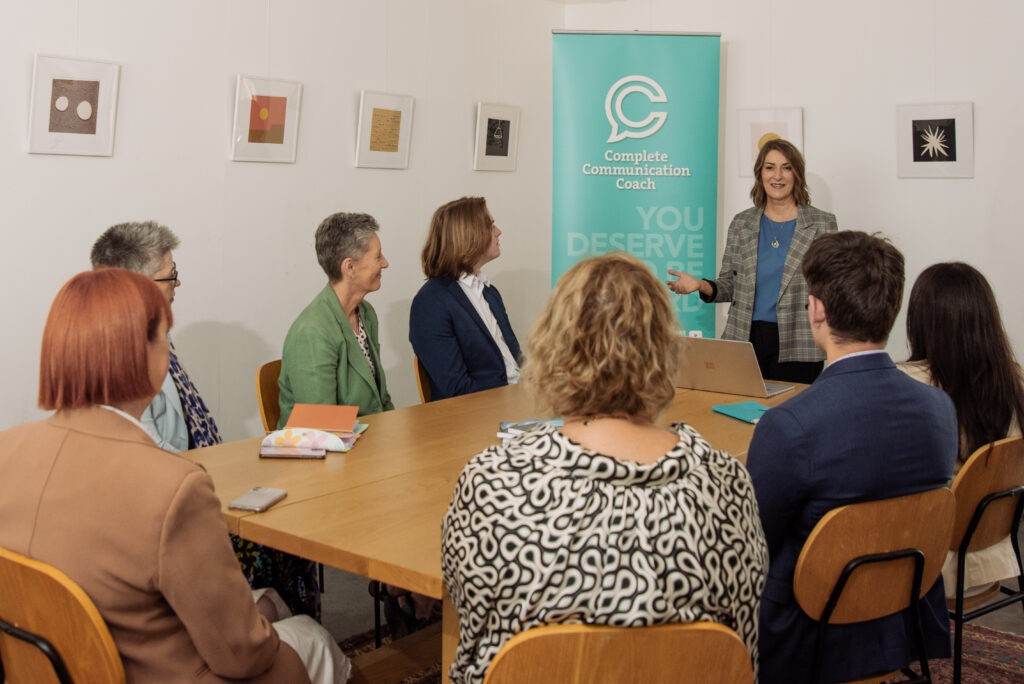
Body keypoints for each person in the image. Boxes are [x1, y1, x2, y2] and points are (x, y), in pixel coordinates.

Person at [0, 269, 349, 683]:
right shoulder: (173, 485)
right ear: (141, 354)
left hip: (49, 668)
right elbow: (243, 656)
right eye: (166, 336)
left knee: (270, 600)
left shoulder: (8, 450)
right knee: (312, 637)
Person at [442, 252, 768, 684]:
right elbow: (740, 647)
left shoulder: (490, 484)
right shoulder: (726, 483)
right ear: (665, 350)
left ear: (552, 347)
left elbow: (475, 632)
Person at [746, 231, 958, 683]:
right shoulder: (940, 408)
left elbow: (751, 542)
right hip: (902, 620)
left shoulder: (789, 426)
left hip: (807, 631)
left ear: (817, 309)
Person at [92, 221, 319, 621]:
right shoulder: (126, 355)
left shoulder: (141, 337)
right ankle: (273, 634)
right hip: (167, 519)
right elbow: (147, 458)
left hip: (187, 488)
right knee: (284, 539)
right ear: (138, 287)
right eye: (171, 276)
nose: (177, 285)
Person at [899, 262, 1024, 597]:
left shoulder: (910, 385)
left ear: (921, 321)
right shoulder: (1013, 379)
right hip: (992, 552)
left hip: (928, 566)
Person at [667, 138, 837, 384]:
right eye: (769, 167)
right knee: (741, 417)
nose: (777, 176)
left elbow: (831, 288)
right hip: (745, 340)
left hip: (799, 342)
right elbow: (729, 284)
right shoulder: (741, 223)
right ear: (760, 174)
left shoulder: (822, 224)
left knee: (792, 417)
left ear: (796, 174)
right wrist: (700, 285)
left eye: (786, 167)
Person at [91, 221, 220, 451]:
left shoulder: (153, 331)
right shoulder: (116, 354)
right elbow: (147, 448)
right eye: (170, 277)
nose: (177, 283)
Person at [279, 212, 393, 425]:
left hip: (369, 440)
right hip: (327, 450)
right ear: (349, 267)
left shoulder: (366, 313)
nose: (385, 263)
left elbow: (381, 400)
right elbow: (320, 423)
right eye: (378, 256)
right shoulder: (312, 331)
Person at [409, 196, 521, 400]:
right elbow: (457, 388)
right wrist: (512, 397)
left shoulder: (489, 292)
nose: (498, 231)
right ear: (469, 235)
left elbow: (515, 359)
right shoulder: (431, 302)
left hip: (518, 400)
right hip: (481, 414)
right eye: (490, 226)